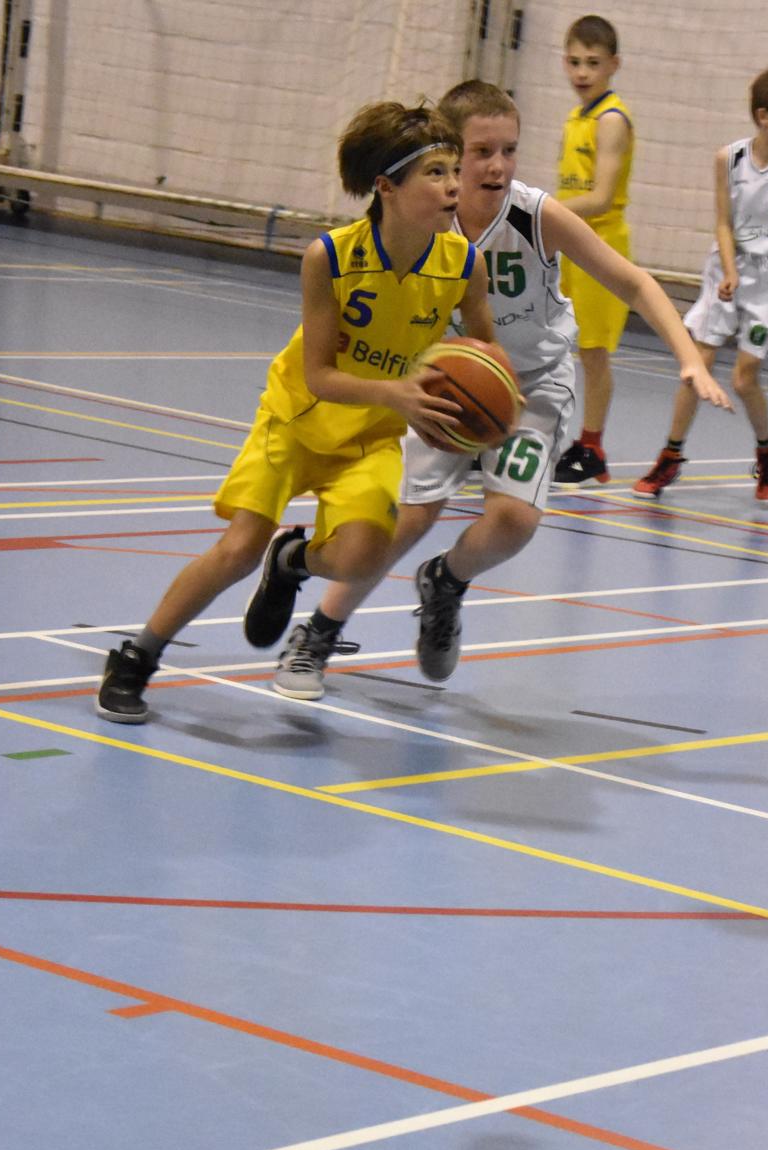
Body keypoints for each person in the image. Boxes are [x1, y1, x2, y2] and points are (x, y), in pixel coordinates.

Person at [279, 81, 731, 696]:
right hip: (446, 380)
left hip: (533, 384)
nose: (497, 165)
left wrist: (690, 360)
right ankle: (319, 633)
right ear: (447, 156)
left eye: (509, 150)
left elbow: (633, 282)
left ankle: (446, 582)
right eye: (481, 152)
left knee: (515, 520)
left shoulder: (534, 214)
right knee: (405, 521)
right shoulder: (422, 222)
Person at [94, 102, 490, 723]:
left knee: (362, 557)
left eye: (455, 171)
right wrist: (399, 393)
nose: (453, 186)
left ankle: (292, 562)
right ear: (386, 187)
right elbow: (319, 376)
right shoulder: (328, 257)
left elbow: (483, 356)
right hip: (298, 418)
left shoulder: (465, 264)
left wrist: (482, 412)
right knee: (237, 550)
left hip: (372, 436)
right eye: (435, 173)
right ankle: (137, 657)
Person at [634, 67, 768, 505]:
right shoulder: (729, 159)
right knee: (696, 365)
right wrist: (728, 270)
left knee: (744, 379)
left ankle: (767, 453)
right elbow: (722, 221)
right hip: (728, 267)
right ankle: (670, 456)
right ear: (764, 116)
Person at [550, 15, 636, 487]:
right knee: (548, 340)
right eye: (575, 62)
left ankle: (592, 447)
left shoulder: (611, 120)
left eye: (593, 63)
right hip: (569, 241)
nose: (582, 72)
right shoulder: (575, 116)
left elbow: (601, 197)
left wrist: (540, 210)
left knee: (594, 352)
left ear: (614, 65)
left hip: (600, 244)